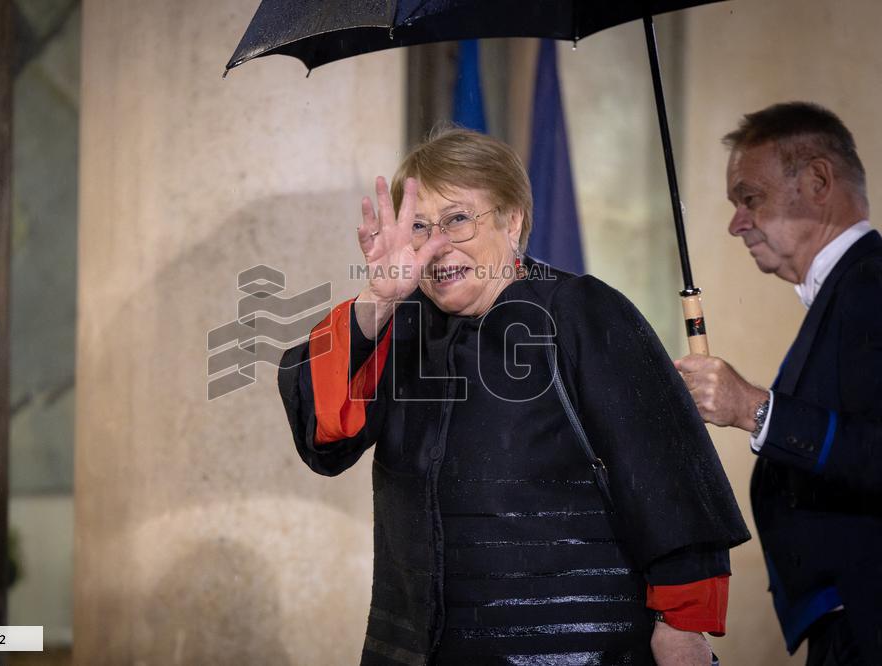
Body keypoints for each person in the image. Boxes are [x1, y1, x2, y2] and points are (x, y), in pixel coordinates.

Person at [279, 128, 749, 665]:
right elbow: (324, 434)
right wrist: (376, 299)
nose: (438, 244)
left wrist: (681, 625)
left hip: (578, 646)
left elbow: (667, 479)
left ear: (514, 220)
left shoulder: (582, 313)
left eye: (457, 219)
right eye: (419, 228)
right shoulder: (399, 327)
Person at [676, 102, 882, 665]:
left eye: (751, 198)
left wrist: (755, 409)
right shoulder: (846, 289)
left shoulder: (871, 283)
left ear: (818, 181)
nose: (736, 222)